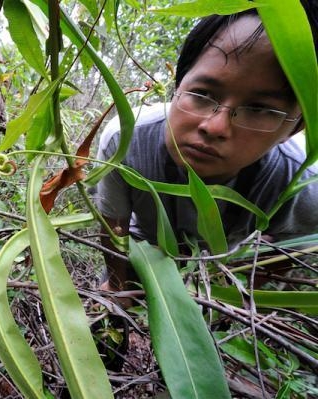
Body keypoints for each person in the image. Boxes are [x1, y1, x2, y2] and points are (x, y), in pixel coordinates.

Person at [96, 5, 318, 294]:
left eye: (258, 109)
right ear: (177, 86)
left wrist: (233, 297)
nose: (215, 127)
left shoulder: (300, 184)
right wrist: (117, 285)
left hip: (217, 268)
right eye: (201, 94)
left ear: (294, 128)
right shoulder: (126, 140)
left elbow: (286, 254)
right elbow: (114, 226)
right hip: (143, 251)